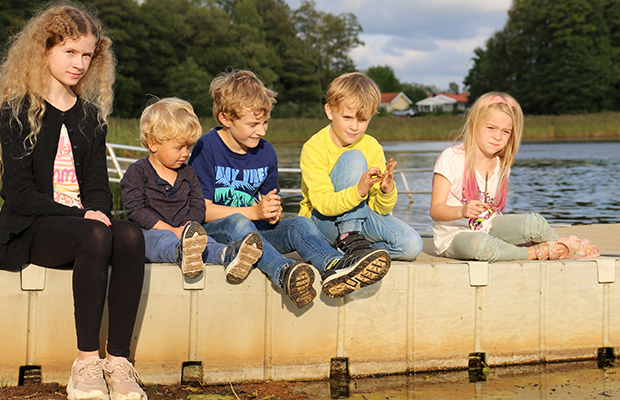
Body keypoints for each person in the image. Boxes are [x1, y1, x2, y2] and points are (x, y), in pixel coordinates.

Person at [0, 5, 147, 400]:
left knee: (130, 236)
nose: (79, 64)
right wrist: (84, 215)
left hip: (82, 224)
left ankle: (119, 362)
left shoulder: (91, 117)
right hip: (33, 228)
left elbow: (98, 188)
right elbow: (20, 195)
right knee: (95, 234)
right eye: (70, 52)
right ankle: (86, 363)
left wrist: (96, 210)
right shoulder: (18, 110)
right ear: (44, 50)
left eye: (87, 55)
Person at [189, 69, 390, 309]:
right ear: (225, 118)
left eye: (265, 122)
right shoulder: (207, 147)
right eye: (253, 124)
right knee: (239, 223)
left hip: (257, 234)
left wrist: (272, 212)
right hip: (220, 232)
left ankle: (335, 267)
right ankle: (284, 272)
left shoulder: (266, 152)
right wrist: (253, 212)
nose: (262, 131)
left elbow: (270, 212)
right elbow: (202, 211)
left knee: (301, 224)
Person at [429, 91, 600, 261]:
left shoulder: (501, 164)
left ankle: (560, 246)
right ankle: (531, 253)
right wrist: (463, 210)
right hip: (455, 238)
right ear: (474, 125)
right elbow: (436, 210)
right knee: (480, 245)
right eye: (490, 128)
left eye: (506, 132)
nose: (497, 136)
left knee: (535, 222)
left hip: (490, 228)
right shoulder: (452, 157)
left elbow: (493, 216)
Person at [120, 97, 263, 282]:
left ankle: (228, 255)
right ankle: (182, 254)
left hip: (187, 234)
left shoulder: (188, 173)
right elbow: (136, 210)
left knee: (206, 242)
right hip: (151, 233)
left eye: (188, 147)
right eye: (179, 147)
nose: (186, 153)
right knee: (159, 240)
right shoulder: (137, 172)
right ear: (153, 143)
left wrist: (190, 226)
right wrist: (171, 230)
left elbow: (197, 205)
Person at [299, 72, 423, 262]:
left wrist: (386, 190)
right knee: (354, 158)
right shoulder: (314, 148)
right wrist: (359, 190)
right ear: (330, 111)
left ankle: (354, 252)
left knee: (412, 245)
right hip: (322, 224)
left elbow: (378, 209)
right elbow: (323, 204)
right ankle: (347, 239)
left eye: (362, 119)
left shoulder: (372, 146)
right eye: (347, 117)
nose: (354, 127)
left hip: (360, 220)